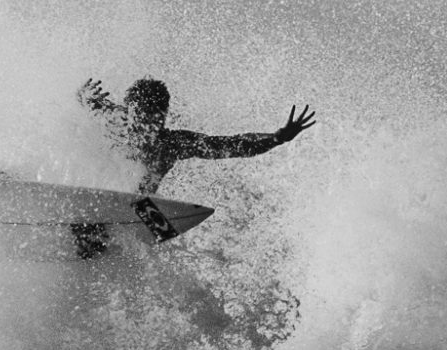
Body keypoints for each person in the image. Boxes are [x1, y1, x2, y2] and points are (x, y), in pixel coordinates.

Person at [76, 77, 315, 250]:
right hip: (97, 199)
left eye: (155, 119)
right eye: (142, 116)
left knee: (153, 230)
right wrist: (84, 93)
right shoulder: (113, 119)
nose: (147, 126)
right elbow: (83, 99)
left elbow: (231, 145)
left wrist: (276, 138)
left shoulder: (173, 144)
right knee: (94, 219)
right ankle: (89, 231)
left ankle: (105, 243)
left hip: (140, 210)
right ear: (130, 111)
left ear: (163, 118)